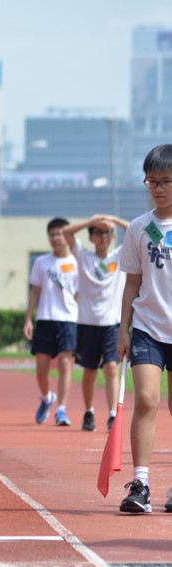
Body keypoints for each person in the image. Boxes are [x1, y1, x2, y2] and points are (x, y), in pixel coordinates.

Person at [117, 144, 172, 514]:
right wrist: (123, 330)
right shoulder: (138, 227)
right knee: (148, 399)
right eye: (152, 182)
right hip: (148, 328)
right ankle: (141, 484)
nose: (158, 188)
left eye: (166, 181)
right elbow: (132, 284)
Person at [62, 214, 129, 432]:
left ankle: (111, 414)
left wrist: (113, 220)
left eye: (107, 232)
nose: (103, 236)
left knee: (111, 367)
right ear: (91, 236)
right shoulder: (83, 256)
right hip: (87, 322)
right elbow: (67, 232)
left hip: (112, 323)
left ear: (113, 236)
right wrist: (92, 221)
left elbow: (137, 230)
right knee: (90, 370)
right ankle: (89, 411)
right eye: (98, 232)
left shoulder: (119, 256)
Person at [23, 218, 79, 426]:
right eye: (52, 235)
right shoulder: (41, 262)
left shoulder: (76, 262)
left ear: (67, 237)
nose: (56, 238)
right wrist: (28, 319)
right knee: (41, 368)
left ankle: (62, 410)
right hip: (45, 319)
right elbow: (35, 292)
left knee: (66, 364)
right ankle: (47, 398)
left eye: (60, 234)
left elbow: (80, 295)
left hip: (68, 319)